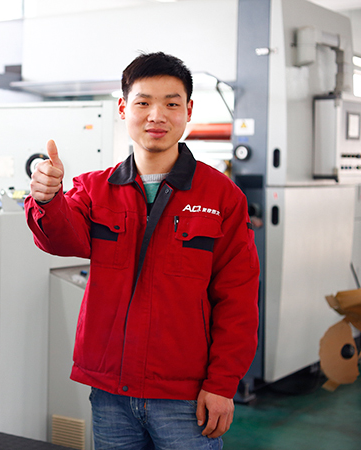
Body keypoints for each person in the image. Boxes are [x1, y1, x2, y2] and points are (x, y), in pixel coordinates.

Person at [25, 51, 259, 450]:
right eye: (143, 102)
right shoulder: (94, 189)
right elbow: (61, 239)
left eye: (171, 104)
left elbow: (237, 297)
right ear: (123, 108)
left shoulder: (222, 197)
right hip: (111, 391)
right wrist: (47, 198)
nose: (157, 115)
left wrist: (222, 384)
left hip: (185, 397)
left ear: (188, 111)